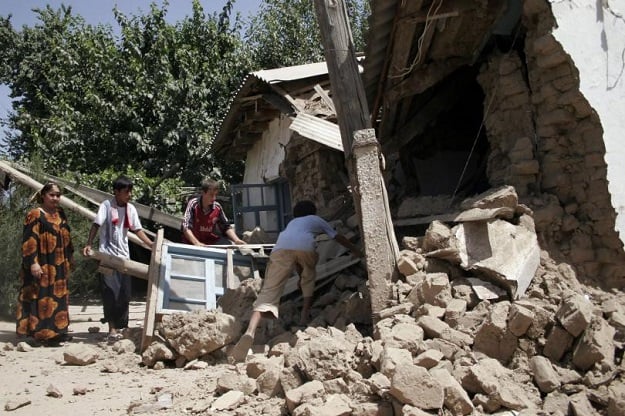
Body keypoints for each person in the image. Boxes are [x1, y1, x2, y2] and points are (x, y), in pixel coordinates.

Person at [229, 200, 362, 362]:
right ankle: (304, 317)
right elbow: (336, 237)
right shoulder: (315, 220)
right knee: (309, 277)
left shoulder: (292, 223)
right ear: (312, 212)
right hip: (305, 247)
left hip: (280, 249)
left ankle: (250, 331)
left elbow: (292, 254)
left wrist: (298, 274)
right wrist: (356, 250)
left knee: (268, 291)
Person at [82, 175, 153, 342]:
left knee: (124, 294)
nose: (129, 195)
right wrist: (89, 244)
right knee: (110, 293)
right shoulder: (106, 206)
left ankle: (122, 327)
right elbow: (96, 224)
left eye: (130, 192)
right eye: (126, 192)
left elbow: (137, 229)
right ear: (116, 192)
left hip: (124, 257)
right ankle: (112, 328)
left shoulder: (131, 209)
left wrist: (150, 244)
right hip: (107, 256)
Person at [16, 181, 74, 345]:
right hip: (41, 263)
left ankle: (58, 332)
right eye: (52, 195)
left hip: (59, 263)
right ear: (43, 195)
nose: (55, 198)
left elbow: (67, 235)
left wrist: (70, 256)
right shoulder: (35, 214)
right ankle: (37, 333)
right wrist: (33, 263)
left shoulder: (60, 213)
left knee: (58, 296)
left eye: (58, 195)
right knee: (39, 296)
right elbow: (29, 240)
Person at [181, 178, 245, 246]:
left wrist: (236, 240)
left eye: (215, 195)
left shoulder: (217, 207)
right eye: (211, 195)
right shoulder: (193, 204)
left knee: (229, 244)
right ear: (203, 193)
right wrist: (197, 243)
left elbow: (226, 227)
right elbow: (186, 227)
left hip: (209, 241)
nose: (214, 198)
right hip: (191, 243)